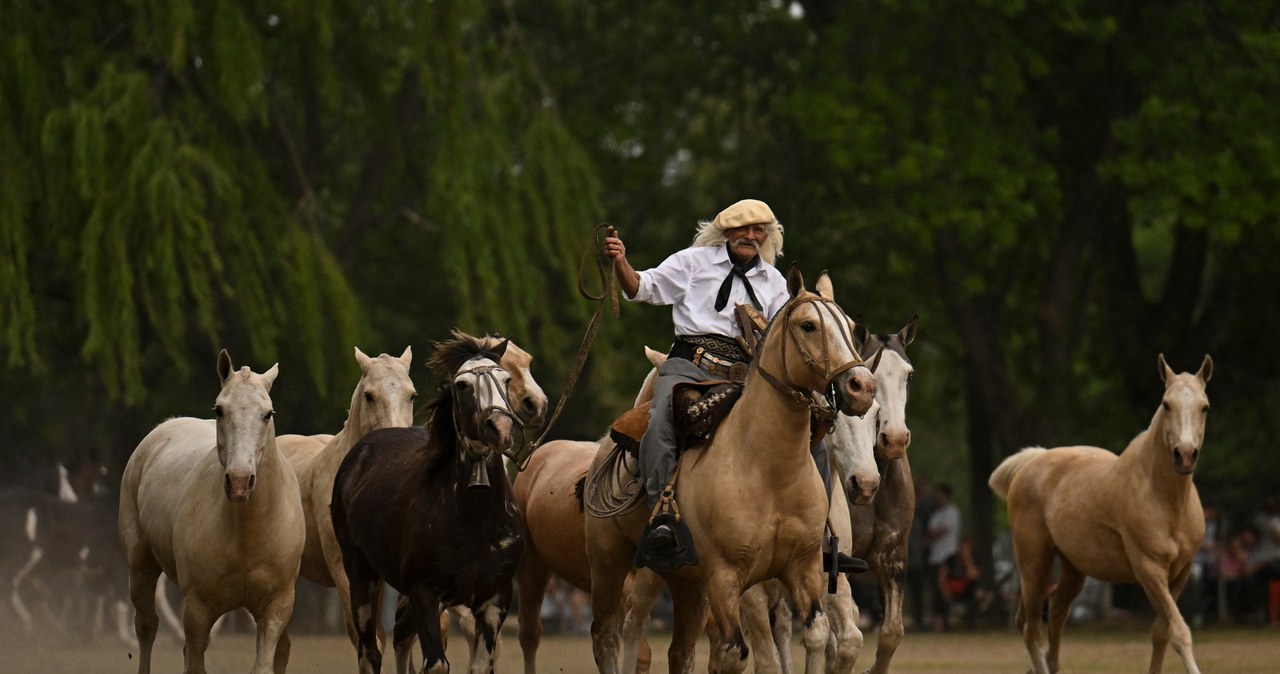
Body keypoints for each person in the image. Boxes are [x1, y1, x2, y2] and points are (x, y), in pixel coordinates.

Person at [604, 198, 867, 575]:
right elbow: (641, 287)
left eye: (759, 230)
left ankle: (818, 537)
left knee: (814, 434)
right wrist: (621, 263)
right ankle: (663, 517)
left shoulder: (775, 281)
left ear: (766, 237)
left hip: (749, 374)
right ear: (726, 232)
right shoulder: (692, 262)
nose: (751, 236)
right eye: (743, 229)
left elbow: (788, 336)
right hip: (689, 364)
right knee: (660, 417)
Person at [923, 483, 960, 631]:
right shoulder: (936, 515)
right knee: (936, 590)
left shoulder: (952, 512)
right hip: (935, 556)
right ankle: (940, 622)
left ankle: (952, 609)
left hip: (948, 554)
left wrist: (928, 538)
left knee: (942, 584)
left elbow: (941, 531)